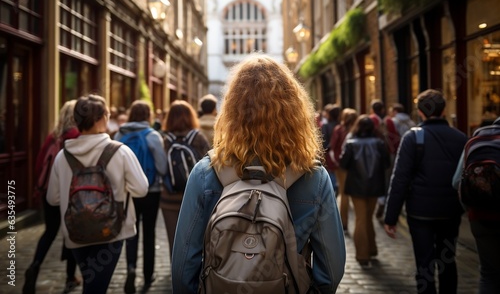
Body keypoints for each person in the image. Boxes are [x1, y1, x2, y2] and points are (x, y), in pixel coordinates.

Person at [171, 54, 346, 293]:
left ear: (231, 111)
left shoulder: (206, 173)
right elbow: (331, 267)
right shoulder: (313, 177)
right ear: (294, 112)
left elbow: (183, 268)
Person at [46, 94, 149, 294]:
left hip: (76, 231)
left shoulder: (63, 156)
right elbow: (141, 189)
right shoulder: (120, 152)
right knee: (95, 288)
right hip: (112, 231)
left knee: (91, 283)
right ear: (102, 118)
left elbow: (52, 198)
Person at [384, 89, 467, 294]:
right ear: (444, 110)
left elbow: (400, 179)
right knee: (448, 260)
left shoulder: (412, 138)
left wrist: (390, 217)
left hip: (420, 213)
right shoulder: (461, 138)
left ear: (420, 112)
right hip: (450, 211)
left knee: (424, 263)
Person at [23, 100, 81, 294]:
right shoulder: (77, 137)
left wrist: (39, 190)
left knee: (49, 232)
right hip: (70, 194)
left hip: (49, 194)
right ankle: (69, 277)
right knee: (71, 234)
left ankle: (34, 266)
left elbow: (40, 164)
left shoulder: (52, 137)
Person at [114, 100, 168, 294]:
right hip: (150, 191)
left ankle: (131, 268)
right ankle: (148, 274)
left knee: (130, 231)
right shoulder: (153, 136)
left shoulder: (119, 134)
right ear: (148, 115)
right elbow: (162, 167)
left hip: (128, 192)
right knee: (149, 232)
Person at [452, 117, 500, 293]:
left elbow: (457, 182)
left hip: (479, 217)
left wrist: (471, 210)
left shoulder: (476, 140)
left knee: (488, 275)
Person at [339, 114, 390, 268]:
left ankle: (363, 255)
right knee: (368, 218)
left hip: (356, 187)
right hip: (374, 187)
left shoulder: (351, 144)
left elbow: (343, 164)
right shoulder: (379, 143)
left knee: (361, 219)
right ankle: (372, 249)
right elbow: (387, 163)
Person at [160, 100, 210, 258]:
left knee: (173, 241)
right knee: (196, 239)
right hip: (194, 197)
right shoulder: (198, 138)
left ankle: (176, 274)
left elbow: (161, 168)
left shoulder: (165, 139)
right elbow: (210, 165)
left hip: (169, 198)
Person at [369, 99, 400, 221]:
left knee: (377, 177)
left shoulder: (371, 120)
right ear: (382, 109)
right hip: (389, 153)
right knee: (387, 178)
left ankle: (380, 200)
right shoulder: (389, 121)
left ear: (373, 109)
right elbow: (396, 138)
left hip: (375, 155)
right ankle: (386, 203)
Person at [330, 108, 358, 232]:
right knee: (354, 195)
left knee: (344, 194)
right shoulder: (357, 129)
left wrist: (337, 162)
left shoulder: (338, 129)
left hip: (341, 166)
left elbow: (332, 148)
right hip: (355, 166)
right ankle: (358, 223)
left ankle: (344, 223)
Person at [321, 103, 341, 193]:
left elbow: (323, 142)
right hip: (340, 155)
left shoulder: (326, 126)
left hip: (329, 154)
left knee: (331, 174)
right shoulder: (341, 126)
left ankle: (334, 190)